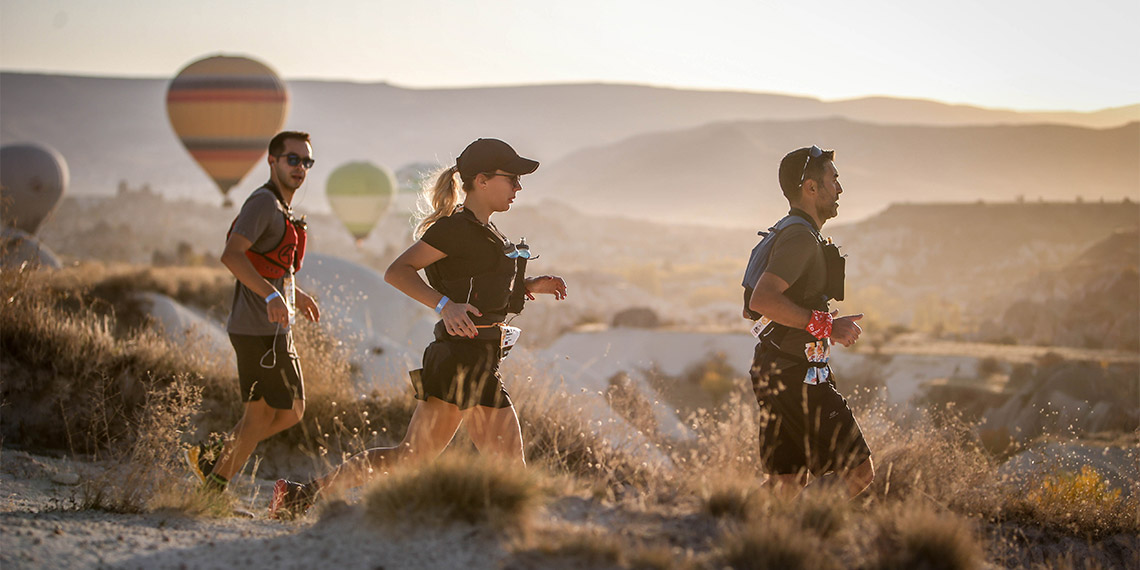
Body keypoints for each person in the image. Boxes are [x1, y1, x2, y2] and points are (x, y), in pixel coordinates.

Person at [269, 138, 567, 518]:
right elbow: (397, 272)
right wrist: (443, 306)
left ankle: (299, 496)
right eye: (512, 178)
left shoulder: (487, 232)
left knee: (409, 457)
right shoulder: (455, 229)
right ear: (482, 180)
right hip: (466, 360)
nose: (518, 188)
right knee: (511, 468)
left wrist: (530, 286)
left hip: (467, 356)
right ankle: (509, 538)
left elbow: (483, 291)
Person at [185, 131, 321, 494]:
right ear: (272, 161)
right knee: (260, 415)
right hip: (254, 328)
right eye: (293, 159)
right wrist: (270, 297)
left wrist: (295, 295)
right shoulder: (263, 203)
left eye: (306, 162)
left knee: (292, 410)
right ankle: (212, 489)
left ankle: (214, 455)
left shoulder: (281, 208)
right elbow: (232, 255)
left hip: (274, 328)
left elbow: (270, 266)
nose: (300, 168)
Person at [743, 145, 874, 499]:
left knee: (785, 482)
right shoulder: (800, 237)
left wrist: (809, 319)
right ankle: (809, 526)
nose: (839, 189)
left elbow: (751, 309)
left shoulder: (786, 230)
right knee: (859, 471)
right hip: (796, 373)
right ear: (810, 189)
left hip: (775, 368)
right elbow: (763, 300)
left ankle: (730, 523)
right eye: (833, 179)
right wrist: (827, 326)